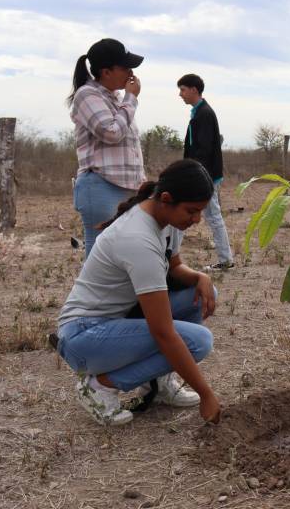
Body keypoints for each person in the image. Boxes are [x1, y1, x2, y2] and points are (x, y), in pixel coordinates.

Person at [56, 159, 221, 426]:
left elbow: (175, 267)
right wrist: (206, 394)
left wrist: (200, 276)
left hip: (114, 322)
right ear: (166, 199)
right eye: (191, 211)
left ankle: (158, 383)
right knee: (198, 342)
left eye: (200, 211)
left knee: (200, 292)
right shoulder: (137, 239)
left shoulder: (166, 220)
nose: (197, 219)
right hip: (83, 337)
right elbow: (163, 333)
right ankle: (100, 387)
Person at [67, 38, 146, 258]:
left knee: (121, 254)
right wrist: (131, 99)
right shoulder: (87, 95)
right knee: (100, 256)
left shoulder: (114, 98)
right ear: (106, 72)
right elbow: (111, 133)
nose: (131, 72)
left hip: (123, 187)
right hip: (101, 185)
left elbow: (128, 146)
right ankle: (91, 294)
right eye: (125, 67)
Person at [177, 74, 235, 271]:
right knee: (189, 213)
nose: (180, 94)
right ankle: (225, 259)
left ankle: (226, 260)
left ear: (194, 89)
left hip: (204, 176)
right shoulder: (198, 112)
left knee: (206, 214)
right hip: (202, 174)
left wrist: (194, 175)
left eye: (183, 89)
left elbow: (203, 150)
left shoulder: (204, 114)